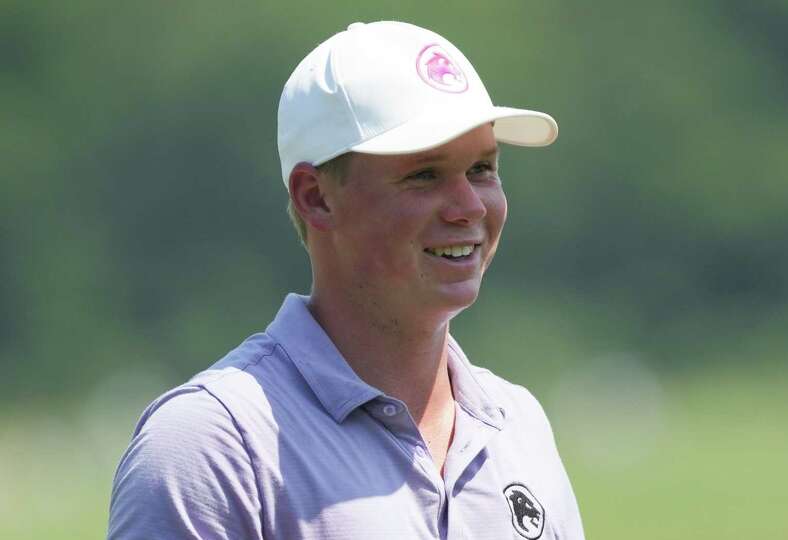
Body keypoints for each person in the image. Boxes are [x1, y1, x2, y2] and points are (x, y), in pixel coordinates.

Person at [108, 20, 583, 540]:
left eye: (482, 169)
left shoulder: (519, 425)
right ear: (315, 196)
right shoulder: (211, 448)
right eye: (424, 174)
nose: (470, 206)